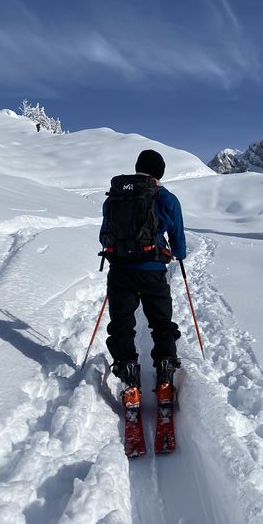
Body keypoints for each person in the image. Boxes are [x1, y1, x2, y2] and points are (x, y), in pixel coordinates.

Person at [99, 149, 186, 389]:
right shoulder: (167, 198)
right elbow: (178, 241)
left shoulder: (115, 197)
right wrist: (179, 254)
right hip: (152, 271)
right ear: (159, 173)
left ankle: (127, 369)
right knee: (161, 322)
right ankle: (165, 365)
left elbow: (104, 236)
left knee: (122, 323)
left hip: (120, 272)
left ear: (138, 168)